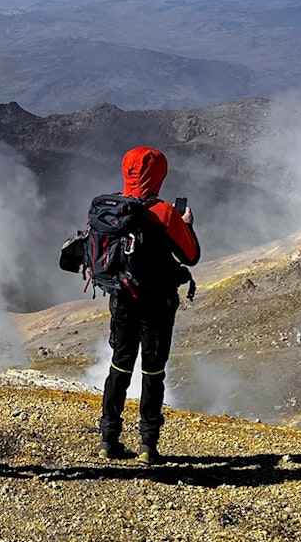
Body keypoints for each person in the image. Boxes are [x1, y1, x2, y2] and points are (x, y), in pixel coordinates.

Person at [97, 146, 200, 465]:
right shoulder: (165, 213)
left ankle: (108, 439)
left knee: (119, 365)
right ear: (159, 175)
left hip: (122, 300)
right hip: (157, 304)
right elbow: (191, 256)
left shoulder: (113, 208)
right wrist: (187, 224)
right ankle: (147, 445)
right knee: (152, 372)